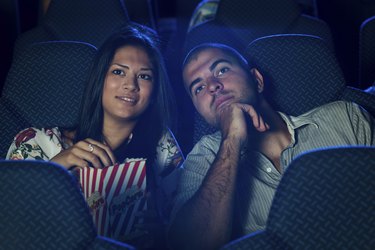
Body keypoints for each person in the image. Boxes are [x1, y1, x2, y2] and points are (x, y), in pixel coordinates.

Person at [167, 43, 375, 249]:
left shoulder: (345, 118)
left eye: (222, 70)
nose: (212, 86)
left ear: (257, 80)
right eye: (199, 87)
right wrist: (231, 140)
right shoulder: (202, 157)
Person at [6, 22, 184, 249]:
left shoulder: (163, 148)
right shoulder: (34, 143)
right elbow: (9, 224)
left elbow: (187, 233)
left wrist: (161, 232)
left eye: (145, 76)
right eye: (118, 72)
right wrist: (57, 168)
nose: (130, 85)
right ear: (100, 80)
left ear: (154, 93)